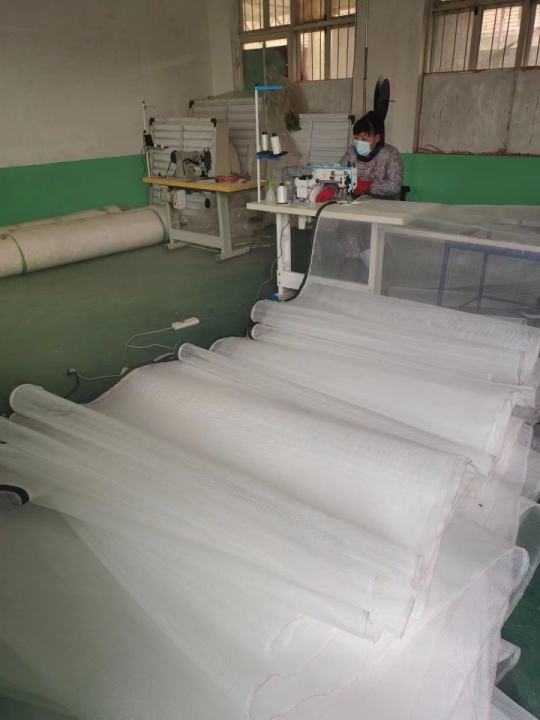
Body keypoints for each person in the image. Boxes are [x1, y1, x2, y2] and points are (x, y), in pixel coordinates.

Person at [340, 111, 403, 200]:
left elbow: (395, 186)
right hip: (356, 202)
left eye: (364, 138)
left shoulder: (391, 153)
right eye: (356, 138)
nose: (359, 142)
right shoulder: (351, 152)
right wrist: (331, 188)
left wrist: (369, 186)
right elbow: (339, 173)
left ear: (377, 138)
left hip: (383, 205)